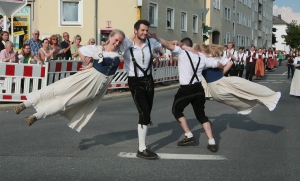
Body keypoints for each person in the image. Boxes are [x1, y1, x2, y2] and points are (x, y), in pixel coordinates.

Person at [14, 29, 133, 131]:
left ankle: (36, 116)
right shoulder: (96, 48)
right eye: (116, 40)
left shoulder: (120, 50)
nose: (117, 43)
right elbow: (81, 51)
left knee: (67, 102)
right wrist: (87, 60)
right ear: (110, 37)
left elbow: (135, 34)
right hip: (87, 77)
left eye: (120, 41)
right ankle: (25, 104)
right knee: (58, 90)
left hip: (96, 87)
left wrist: (144, 32)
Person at [157, 37, 221, 153]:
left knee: (176, 110)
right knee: (201, 115)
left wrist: (155, 37)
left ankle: (189, 135)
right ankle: (212, 142)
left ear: (183, 45)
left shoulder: (181, 52)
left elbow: (166, 43)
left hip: (186, 89)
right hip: (199, 88)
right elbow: (218, 64)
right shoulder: (201, 56)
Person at [190, 43, 281, 115]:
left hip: (220, 83)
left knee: (247, 87)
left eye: (196, 52)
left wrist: (221, 72)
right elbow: (229, 63)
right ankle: (246, 106)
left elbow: (229, 63)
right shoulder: (208, 57)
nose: (194, 54)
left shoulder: (206, 58)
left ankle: (271, 97)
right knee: (238, 93)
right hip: (219, 83)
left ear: (201, 51)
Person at [123, 20, 162, 160]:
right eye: (142, 30)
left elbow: (165, 45)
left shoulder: (151, 42)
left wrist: (156, 37)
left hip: (149, 80)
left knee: (147, 113)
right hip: (135, 81)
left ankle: (142, 146)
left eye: (147, 30)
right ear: (135, 30)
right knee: (144, 110)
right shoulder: (127, 44)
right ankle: (141, 148)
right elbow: (112, 48)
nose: (145, 33)